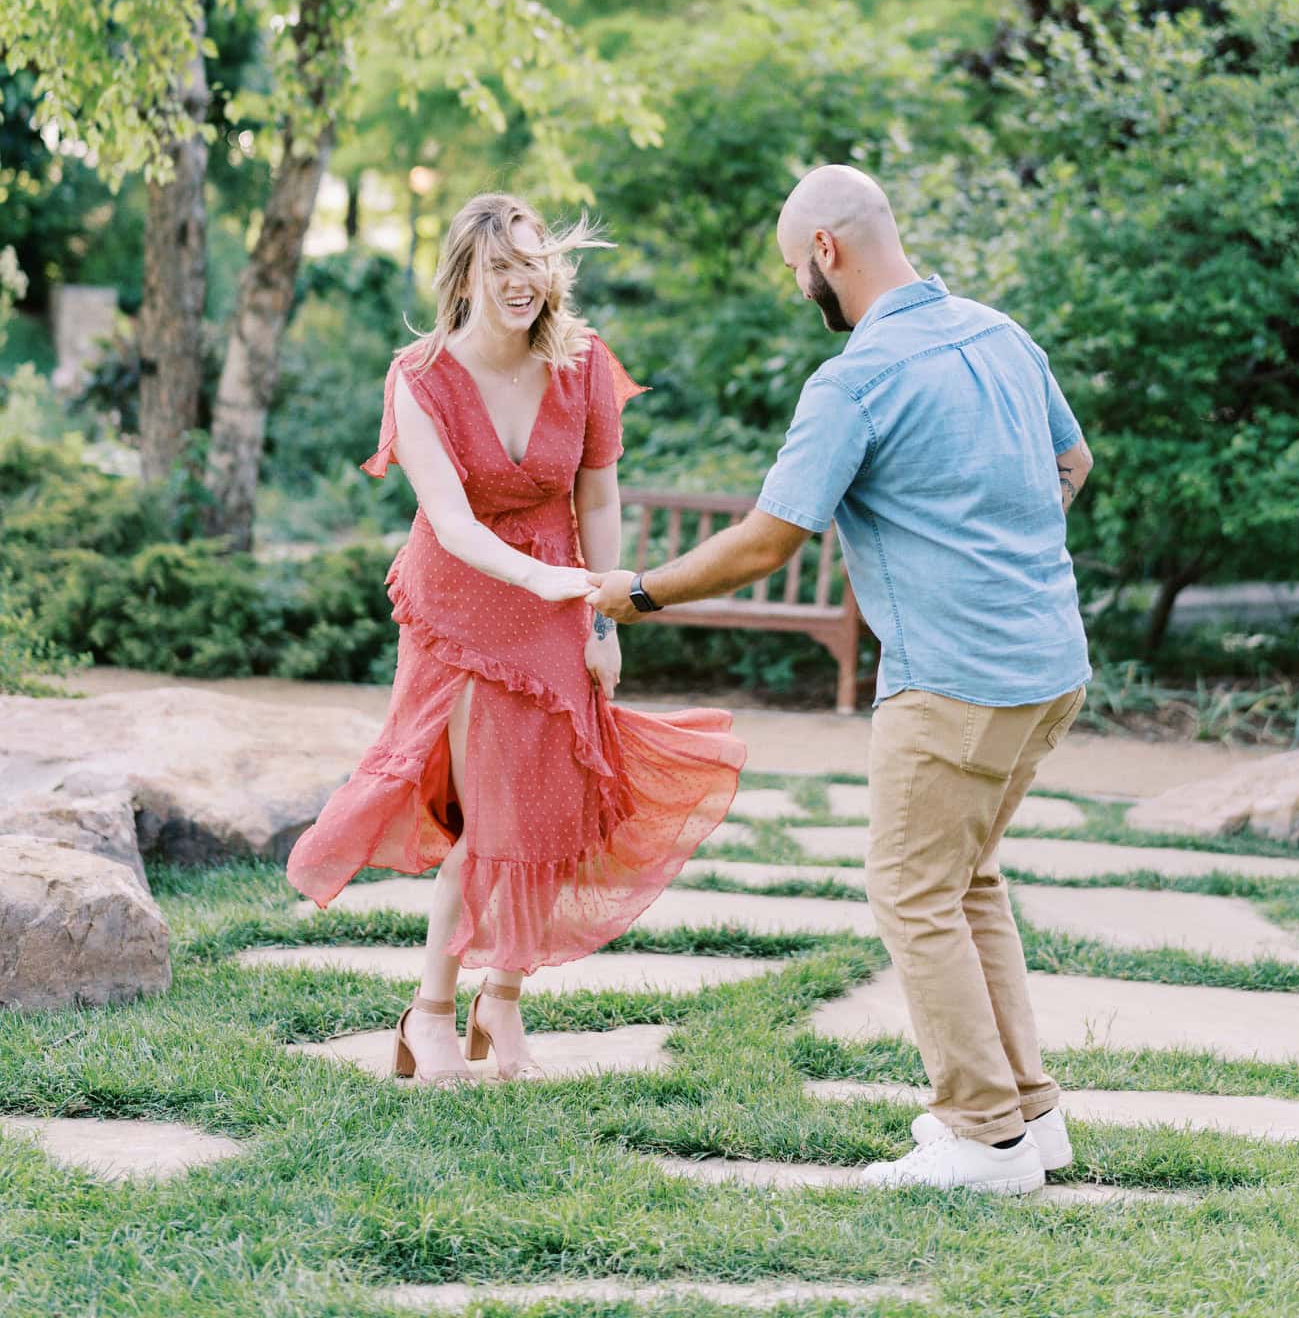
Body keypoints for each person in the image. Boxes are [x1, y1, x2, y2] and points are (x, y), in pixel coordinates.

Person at [591, 164, 1092, 1194]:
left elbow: (765, 541)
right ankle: (1027, 1115)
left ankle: (982, 1136)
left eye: (793, 269)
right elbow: (1071, 460)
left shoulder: (856, 377)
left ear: (825, 249)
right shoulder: (999, 332)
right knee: (963, 880)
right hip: (1047, 662)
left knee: (910, 890)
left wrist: (631, 592)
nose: (796, 290)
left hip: (951, 680)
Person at [287, 192, 745, 1085]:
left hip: (557, 605)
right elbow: (451, 523)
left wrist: (603, 615)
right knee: (490, 815)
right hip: (461, 613)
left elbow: (598, 498)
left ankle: (499, 1002)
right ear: (465, 274)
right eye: (501, 267)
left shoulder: (583, 366)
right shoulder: (418, 379)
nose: (520, 283)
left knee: (542, 808)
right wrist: (545, 581)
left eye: (533, 265)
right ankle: (429, 1013)